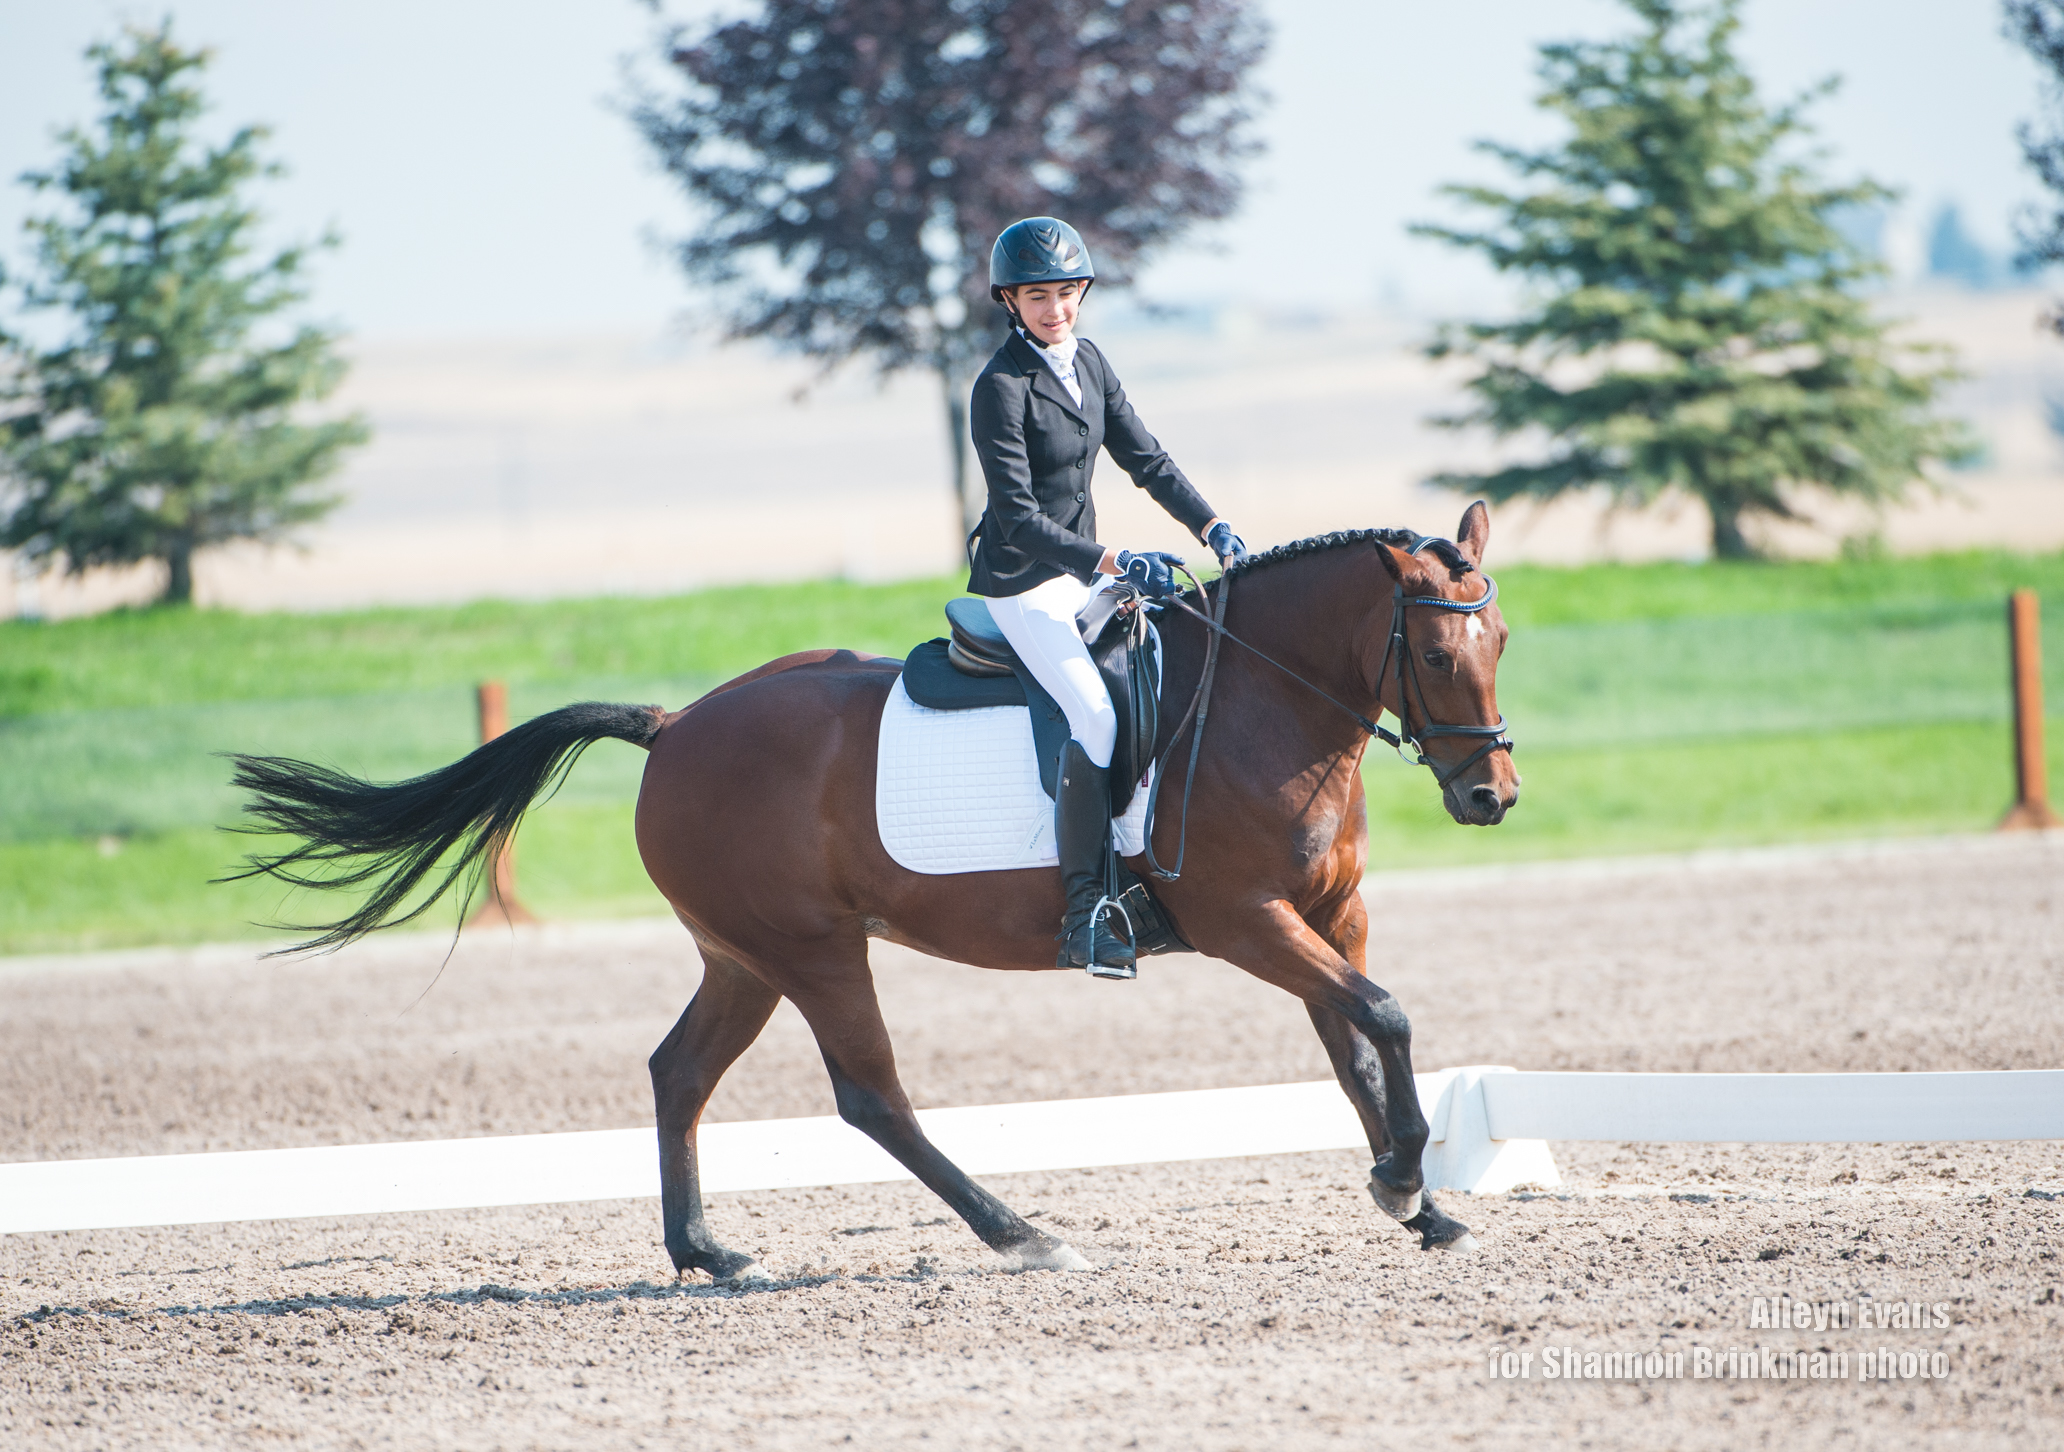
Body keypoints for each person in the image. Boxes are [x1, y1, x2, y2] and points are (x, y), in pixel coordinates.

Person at [966, 216, 1249, 978]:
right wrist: (1115, 558)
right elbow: (1019, 518)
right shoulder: (999, 388)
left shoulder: (1089, 362)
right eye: (1037, 296)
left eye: (1065, 293)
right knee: (1092, 713)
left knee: (1159, 671)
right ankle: (1089, 908)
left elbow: (1146, 460)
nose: (1054, 309)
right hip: (1022, 582)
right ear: (1010, 301)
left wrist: (1211, 525)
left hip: (1082, 573)